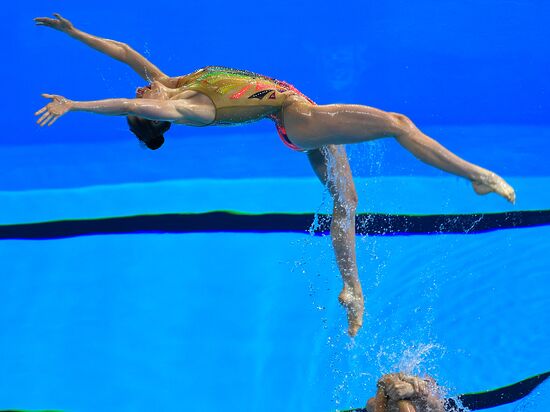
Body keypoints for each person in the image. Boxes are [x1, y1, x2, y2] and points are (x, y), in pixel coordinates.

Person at [34, 14, 516, 337]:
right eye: (144, 100)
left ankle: (353, 289)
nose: (141, 85)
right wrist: (74, 104)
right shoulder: (188, 108)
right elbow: (128, 102)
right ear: (155, 112)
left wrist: (75, 34)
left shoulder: (173, 83)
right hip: (299, 120)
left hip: (298, 120)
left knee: (346, 204)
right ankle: (475, 175)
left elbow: (123, 50)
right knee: (397, 124)